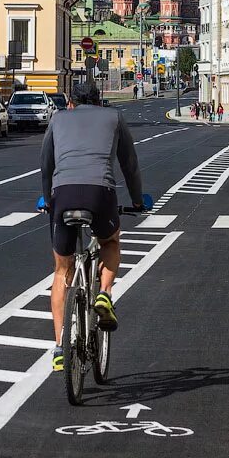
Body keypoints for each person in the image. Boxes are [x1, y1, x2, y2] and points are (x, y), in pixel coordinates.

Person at [40, 82, 145, 373]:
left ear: (71, 102)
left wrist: (47, 197)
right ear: (99, 102)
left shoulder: (58, 118)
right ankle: (104, 294)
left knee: (62, 270)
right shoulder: (114, 118)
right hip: (101, 192)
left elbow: (46, 163)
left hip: (63, 194)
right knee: (110, 241)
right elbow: (129, 163)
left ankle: (60, 346)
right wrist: (137, 201)